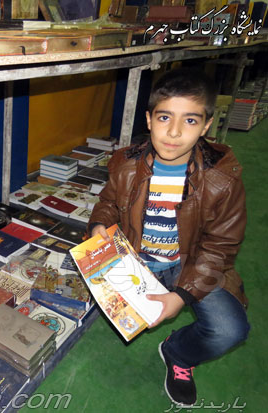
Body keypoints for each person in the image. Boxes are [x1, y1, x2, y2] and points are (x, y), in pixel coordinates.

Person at [88, 67, 250, 406]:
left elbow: (221, 246)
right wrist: (100, 225)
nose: (174, 132)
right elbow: (108, 203)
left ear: (206, 126)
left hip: (188, 263)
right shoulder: (125, 164)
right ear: (149, 120)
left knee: (230, 330)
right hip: (136, 258)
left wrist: (182, 295)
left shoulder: (223, 179)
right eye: (164, 117)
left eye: (190, 121)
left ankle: (178, 353)